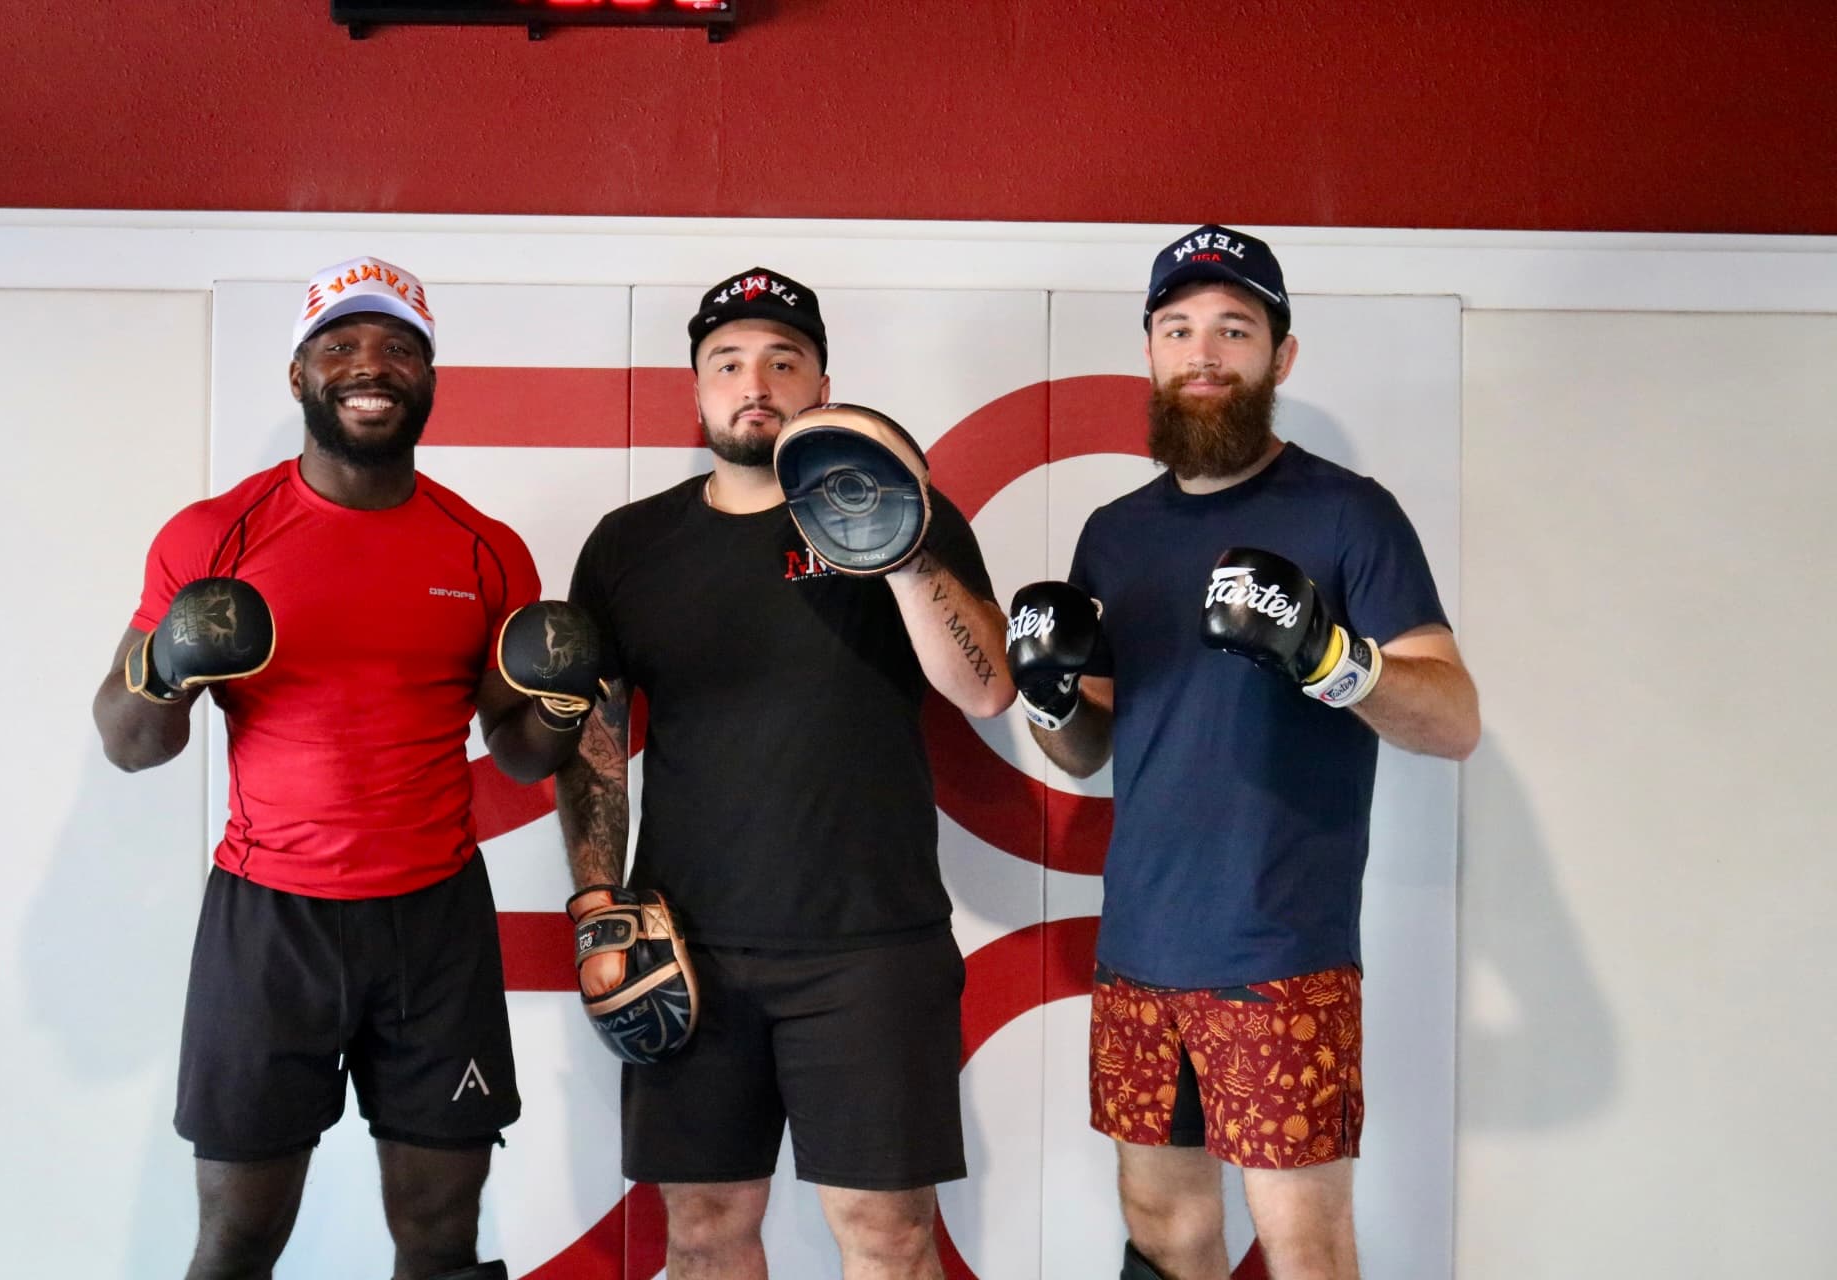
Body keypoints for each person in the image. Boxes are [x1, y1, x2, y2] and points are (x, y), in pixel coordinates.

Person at [92, 256, 601, 1280]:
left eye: (399, 346)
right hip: (268, 916)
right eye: (340, 343)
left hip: (433, 918)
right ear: (298, 376)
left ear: (429, 378)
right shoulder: (213, 536)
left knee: (442, 1237)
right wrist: (165, 664)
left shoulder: (484, 549)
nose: (370, 364)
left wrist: (558, 703)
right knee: (237, 1235)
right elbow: (128, 740)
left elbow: (516, 749)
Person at [1007, 226, 1480, 1280]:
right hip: (1140, 943)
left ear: (1282, 355)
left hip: (1281, 950)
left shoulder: (1349, 512)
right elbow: (1085, 746)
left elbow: (1453, 718)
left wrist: (1328, 657)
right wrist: (1044, 696)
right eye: (1179, 328)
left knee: (1302, 1242)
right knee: (1163, 1230)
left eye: (1234, 327)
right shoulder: (1114, 533)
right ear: (1150, 352)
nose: (1205, 351)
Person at [554, 267, 1015, 1278]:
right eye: (729, 361)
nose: (754, 380)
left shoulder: (912, 513)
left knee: (890, 1237)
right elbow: (595, 738)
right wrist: (596, 896)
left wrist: (900, 550)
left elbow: (985, 688)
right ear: (698, 387)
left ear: (822, 383)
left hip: (870, 944)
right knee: (706, 1231)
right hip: (686, 942)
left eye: (781, 360)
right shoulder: (631, 545)